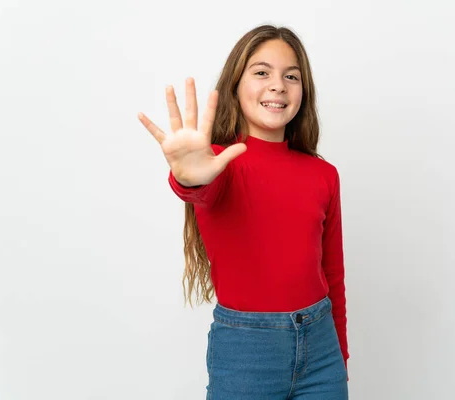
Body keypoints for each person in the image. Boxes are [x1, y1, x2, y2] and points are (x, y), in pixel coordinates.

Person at [138, 24, 349, 399]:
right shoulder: (217, 164)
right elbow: (197, 188)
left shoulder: (323, 175)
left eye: (291, 76)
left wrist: (340, 360)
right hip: (246, 352)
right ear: (236, 85)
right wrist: (189, 177)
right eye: (262, 72)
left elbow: (332, 274)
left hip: (321, 351)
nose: (278, 85)